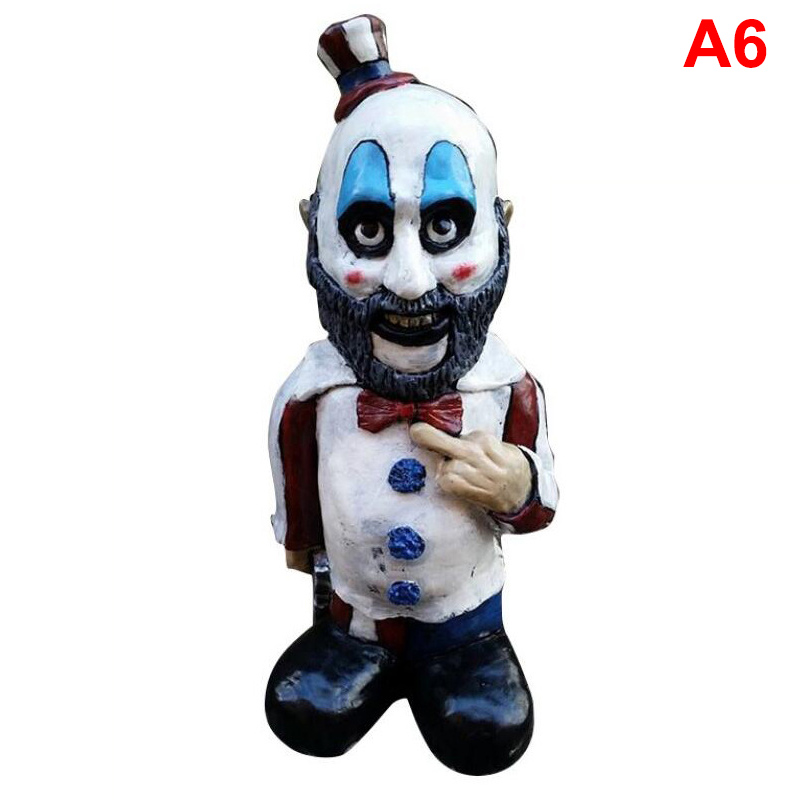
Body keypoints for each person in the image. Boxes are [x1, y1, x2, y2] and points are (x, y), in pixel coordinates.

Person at [265, 14, 558, 775]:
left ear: (499, 227)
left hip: (466, 618)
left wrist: (517, 485)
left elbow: (544, 496)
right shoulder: (312, 397)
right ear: (314, 233)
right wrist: (311, 566)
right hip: (351, 616)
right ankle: (355, 652)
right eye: (367, 230)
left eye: (446, 225)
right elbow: (299, 504)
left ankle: (460, 659)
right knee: (302, 711)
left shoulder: (508, 387)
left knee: (484, 732)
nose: (408, 280)